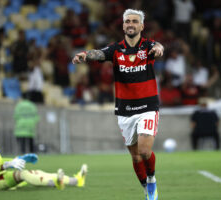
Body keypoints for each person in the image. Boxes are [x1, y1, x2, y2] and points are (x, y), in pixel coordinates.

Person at [72, 9, 164, 200]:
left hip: (147, 106)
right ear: (123, 25)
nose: (131, 24)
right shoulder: (116, 49)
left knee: (145, 151)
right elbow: (99, 53)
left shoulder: (148, 46)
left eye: (135, 21)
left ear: (141, 26)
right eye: (127, 21)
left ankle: (152, 180)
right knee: (136, 157)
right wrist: (84, 55)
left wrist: (158, 49)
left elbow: (159, 47)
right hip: (125, 109)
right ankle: (145, 187)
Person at [0, 115, 88, 190]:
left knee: (37, 172)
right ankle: (57, 183)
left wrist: (18, 159)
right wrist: (7, 164)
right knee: (24, 174)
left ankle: (77, 180)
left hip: (3, 175)